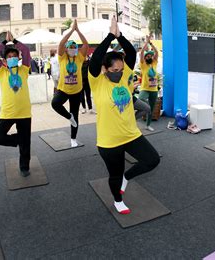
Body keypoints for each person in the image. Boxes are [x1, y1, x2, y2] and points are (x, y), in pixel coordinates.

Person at [89, 16, 160, 214]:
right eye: (114, 70)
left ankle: (126, 178)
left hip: (130, 134)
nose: (119, 73)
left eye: (121, 69)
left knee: (152, 160)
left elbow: (129, 52)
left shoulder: (124, 76)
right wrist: (109, 36)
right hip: (109, 140)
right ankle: (118, 199)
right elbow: (96, 59)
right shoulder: (97, 80)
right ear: (105, 69)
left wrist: (119, 36)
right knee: (114, 174)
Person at [0, 31, 32, 177]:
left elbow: (26, 50)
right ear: (5, 60)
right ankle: (19, 139)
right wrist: (4, 42)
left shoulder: (24, 69)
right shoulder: (2, 72)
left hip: (24, 112)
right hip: (8, 113)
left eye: (15, 55)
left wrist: (14, 41)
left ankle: (24, 167)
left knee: (26, 147)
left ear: (18, 57)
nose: (12, 58)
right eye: (9, 57)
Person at [51, 19, 89, 147]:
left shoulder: (79, 57)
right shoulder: (62, 57)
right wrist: (71, 30)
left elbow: (86, 44)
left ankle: (73, 139)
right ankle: (69, 116)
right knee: (55, 104)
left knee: (76, 114)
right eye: (70, 47)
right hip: (63, 90)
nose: (72, 49)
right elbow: (61, 43)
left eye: (74, 47)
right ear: (66, 50)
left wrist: (78, 31)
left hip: (77, 91)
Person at [138, 35, 160, 131]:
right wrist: (146, 42)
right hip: (145, 88)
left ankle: (148, 125)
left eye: (150, 55)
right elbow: (142, 52)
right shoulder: (143, 65)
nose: (149, 56)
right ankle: (134, 120)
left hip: (154, 89)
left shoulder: (154, 63)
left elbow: (156, 52)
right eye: (147, 56)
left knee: (151, 108)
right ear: (145, 58)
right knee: (141, 99)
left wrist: (151, 43)